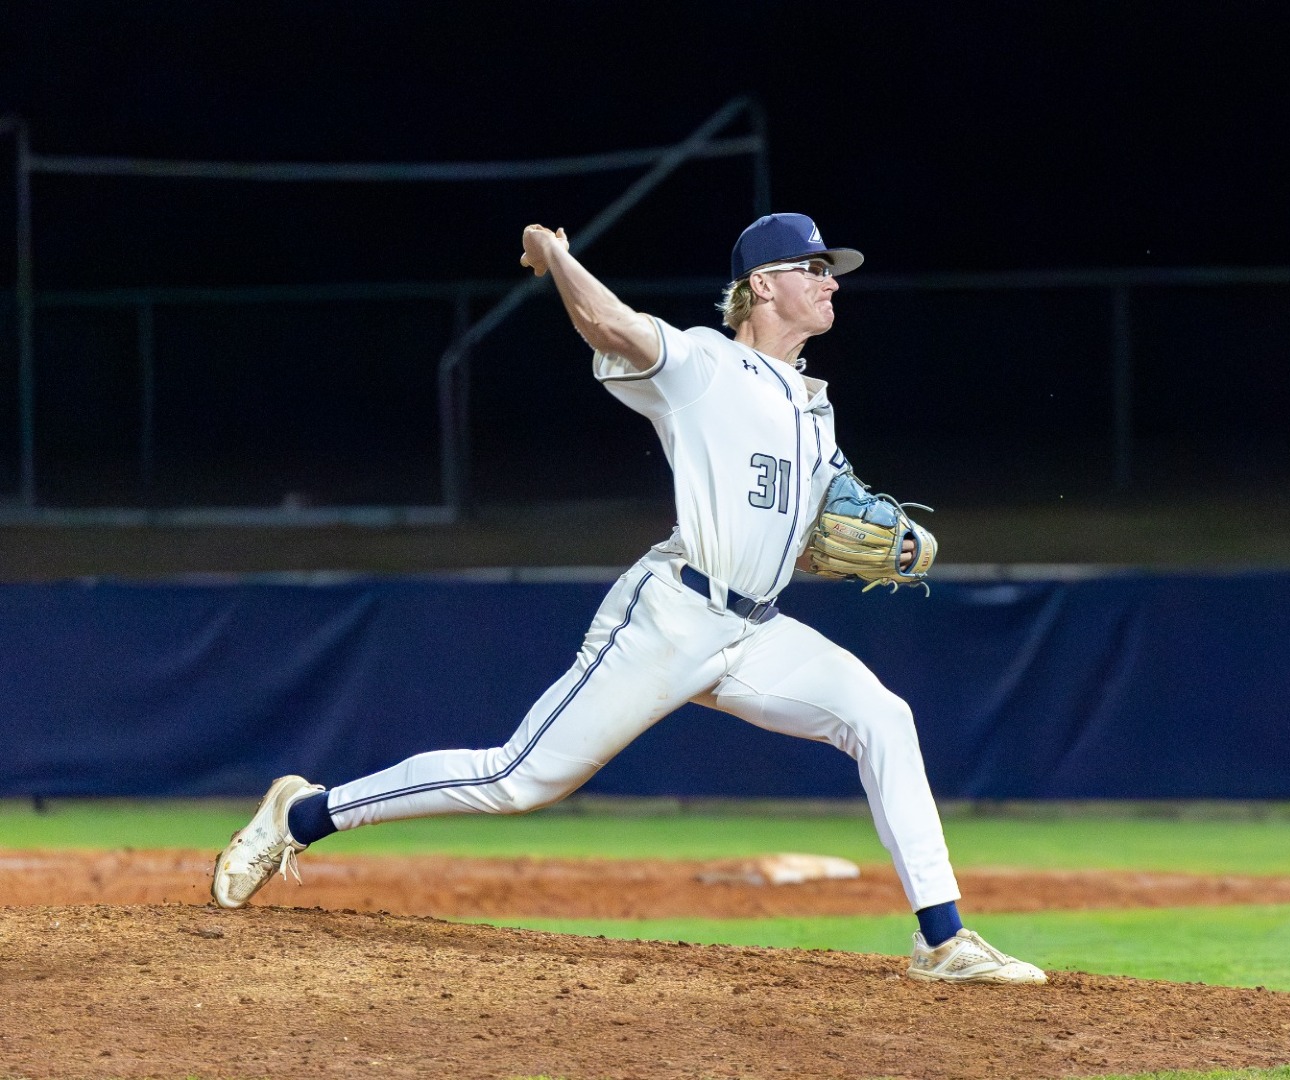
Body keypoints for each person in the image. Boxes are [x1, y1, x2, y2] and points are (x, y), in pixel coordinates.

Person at [210, 213, 1046, 985]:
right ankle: (306, 812)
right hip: (673, 614)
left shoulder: (812, 406)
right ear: (763, 284)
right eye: (814, 268)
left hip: (757, 632)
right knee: (516, 779)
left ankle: (942, 939)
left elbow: (829, 514)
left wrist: (881, 531)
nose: (832, 281)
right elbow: (610, 326)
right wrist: (561, 257)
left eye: (832, 271)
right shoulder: (704, 366)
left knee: (882, 717)